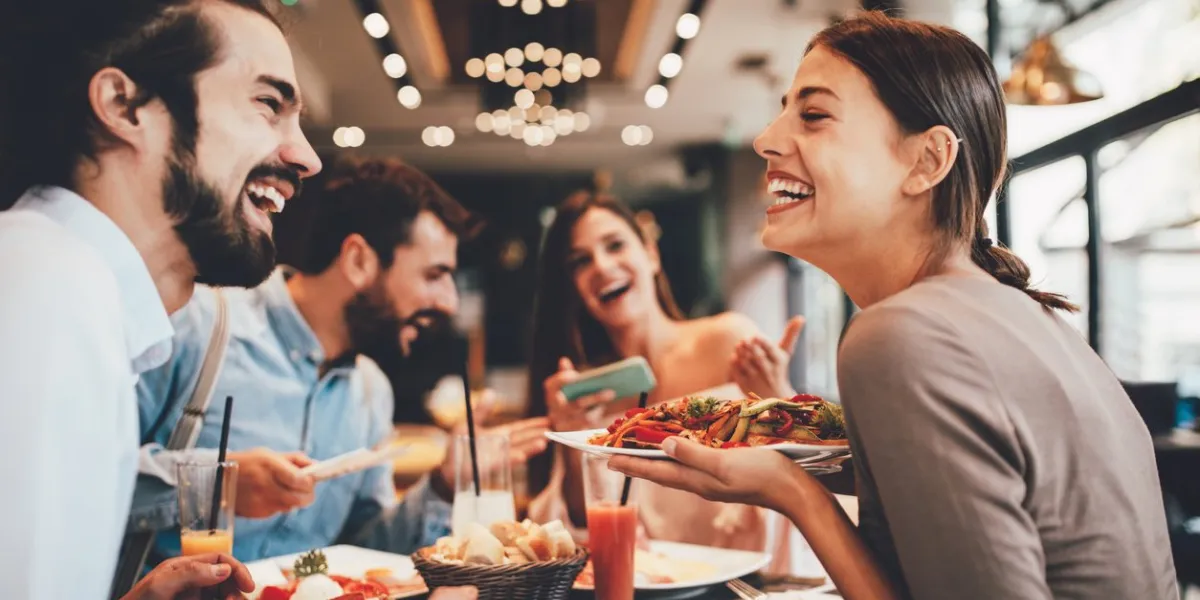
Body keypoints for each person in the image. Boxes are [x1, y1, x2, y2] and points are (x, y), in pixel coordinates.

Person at [608, 12, 1178, 600]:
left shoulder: (901, 333)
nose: (766, 139)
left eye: (814, 115)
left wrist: (795, 492)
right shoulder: (1026, 318)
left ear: (926, 161)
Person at [0, 1, 321, 598]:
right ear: (124, 107)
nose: (306, 156)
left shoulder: (71, 288)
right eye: (267, 105)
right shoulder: (48, 286)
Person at [132, 158, 550, 564]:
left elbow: (367, 551)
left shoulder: (370, 391)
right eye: (433, 275)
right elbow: (82, 474)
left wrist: (442, 485)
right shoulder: (195, 325)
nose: (449, 301)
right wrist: (218, 484)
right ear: (358, 260)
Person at [525, 191, 804, 568]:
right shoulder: (590, 397)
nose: (603, 267)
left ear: (651, 254)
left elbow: (798, 476)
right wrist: (574, 450)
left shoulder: (727, 342)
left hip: (748, 580)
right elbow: (581, 530)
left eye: (615, 245)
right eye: (581, 261)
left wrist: (780, 397)